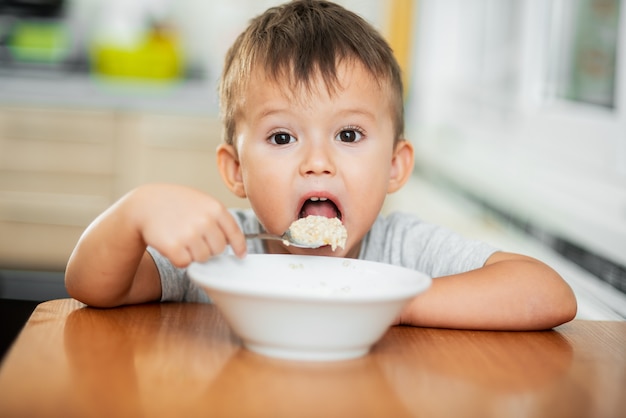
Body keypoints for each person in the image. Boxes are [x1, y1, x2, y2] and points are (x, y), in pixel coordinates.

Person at [65, 0, 577, 330]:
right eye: (283, 136)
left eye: (348, 135)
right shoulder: (221, 250)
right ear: (236, 170)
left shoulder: (404, 251)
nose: (317, 163)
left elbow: (548, 294)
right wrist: (134, 213)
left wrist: (391, 302)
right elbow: (92, 287)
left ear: (396, 166)